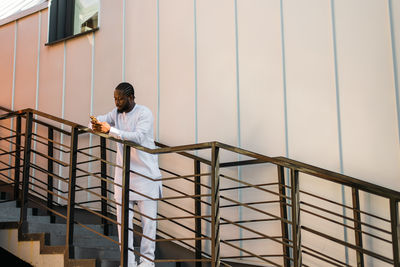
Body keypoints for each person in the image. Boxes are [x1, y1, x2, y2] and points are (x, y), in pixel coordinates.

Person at [91, 82, 162, 267]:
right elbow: (101, 120)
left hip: (146, 176)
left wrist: (110, 130)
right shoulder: (116, 113)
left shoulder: (144, 113)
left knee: (148, 223)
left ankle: (147, 262)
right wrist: (95, 123)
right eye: (115, 98)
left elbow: (138, 137)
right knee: (124, 224)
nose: (116, 102)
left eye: (120, 98)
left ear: (131, 97)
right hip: (124, 177)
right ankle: (128, 262)